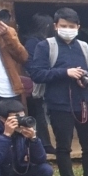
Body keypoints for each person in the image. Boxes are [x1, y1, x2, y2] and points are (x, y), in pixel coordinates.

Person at [26, 7, 88, 176]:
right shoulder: (45, 46)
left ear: (78, 26)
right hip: (59, 104)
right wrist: (65, 73)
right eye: (63, 25)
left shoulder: (84, 47)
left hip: (84, 103)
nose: (67, 29)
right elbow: (37, 73)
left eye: (71, 26)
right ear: (55, 26)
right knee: (63, 147)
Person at [21, 12, 55, 144]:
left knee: (41, 114)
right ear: (47, 25)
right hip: (37, 83)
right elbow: (30, 63)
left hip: (44, 80)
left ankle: (45, 142)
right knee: (39, 114)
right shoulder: (33, 42)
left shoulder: (39, 41)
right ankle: (43, 143)